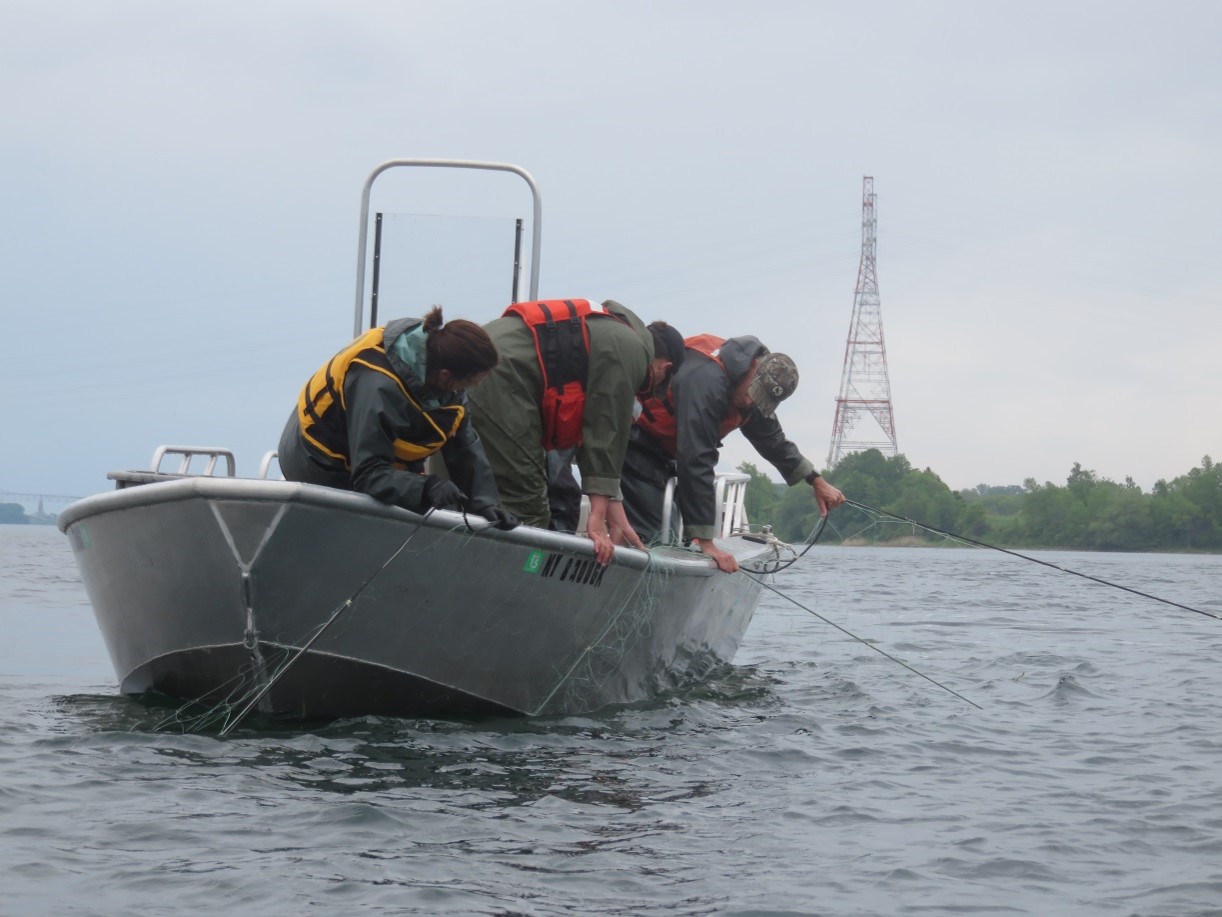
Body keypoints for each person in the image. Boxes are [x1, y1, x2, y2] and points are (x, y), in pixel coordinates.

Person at [465, 299, 681, 565]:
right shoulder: (632, 348)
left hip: (472, 361)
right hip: (501, 378)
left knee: (463, 494)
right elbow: (605, 430)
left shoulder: (608, 330)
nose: (640, 392)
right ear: (664, 368)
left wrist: (618, 519)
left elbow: (596, 444)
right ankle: (510, 585)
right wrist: (596, 519)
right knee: (527, 508)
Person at [621, 333, 846, 573]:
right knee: (652, 538)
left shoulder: (748, 390)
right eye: (754, 392)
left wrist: (815, 480)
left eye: (761, 399)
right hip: (634, 444)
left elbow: (772, 439)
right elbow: (696, 457)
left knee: (678, 538)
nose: (751, 402)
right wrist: (706, 542)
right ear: (754, 367)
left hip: (666, 458)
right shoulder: (705, 381)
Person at [278, 306, 519, 528]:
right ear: (446, 375)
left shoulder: (444, 370)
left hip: (375, 465)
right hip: (317, 460)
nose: (476, 385)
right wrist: (427, 487)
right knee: (360, 525)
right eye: (472, 380)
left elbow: (464, 445)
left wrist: (485, 503)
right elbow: (369, 474)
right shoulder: (377, 386)